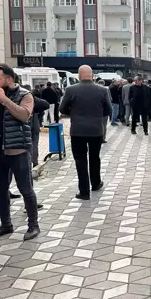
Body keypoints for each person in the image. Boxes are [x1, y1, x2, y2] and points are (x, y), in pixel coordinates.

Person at [0, 64, 40, 241]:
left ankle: (33, 225)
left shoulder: (24, 95)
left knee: (26, 189)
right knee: (0, 189)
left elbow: (24, 115)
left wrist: (4, 99)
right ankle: (6, 224)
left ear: (9, 79)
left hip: (18, 150)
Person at [59, 65, 111, 200]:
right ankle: (96, 183)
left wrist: (74, 114)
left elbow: (62, 108)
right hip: (96, 130)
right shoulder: (102, 90)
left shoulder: (71, 90)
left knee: (80, 160)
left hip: (78, 131)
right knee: (95, 157)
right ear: (92, 76)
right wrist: (97, 115)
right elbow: (108, 110)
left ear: (79, 76)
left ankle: (84, 191)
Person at [23, 84, 49, 167]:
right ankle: (34, 161)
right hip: (34, 124)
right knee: (34, 143)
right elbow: (45, 104)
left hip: (24, 126)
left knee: (26, 145)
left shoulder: (19, 99)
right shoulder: (33, 99)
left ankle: (28, 162)